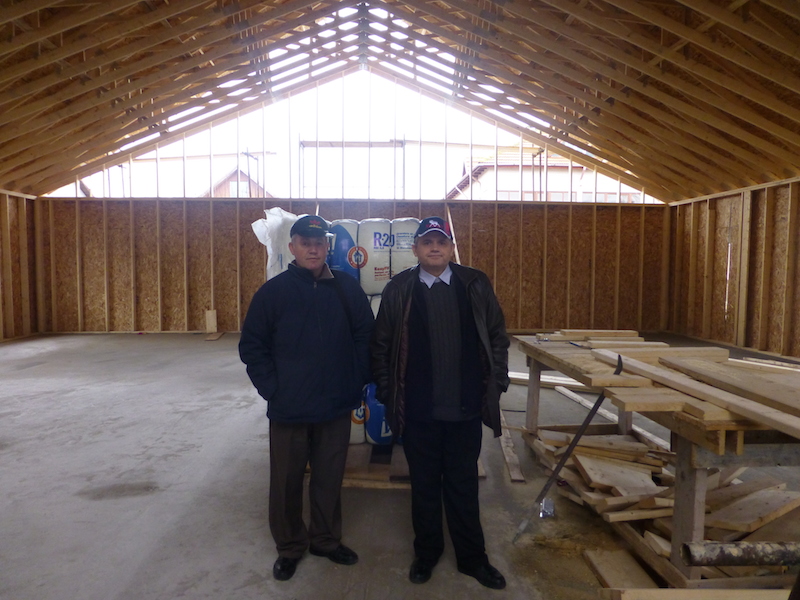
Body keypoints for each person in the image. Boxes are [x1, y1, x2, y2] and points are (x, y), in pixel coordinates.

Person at [371, 216, 510, 590]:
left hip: (465, 408)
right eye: (427, 242)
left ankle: (473, 558)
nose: (435, 248)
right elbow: (381, 345)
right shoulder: (399, 289)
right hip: (419, 411)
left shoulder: (474, 284)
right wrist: (387, 390)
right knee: (425, 486)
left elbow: (497, 336)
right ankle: (427, 554)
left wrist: (497, 381)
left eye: (441, 242)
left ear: (451, 248)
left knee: (463, 485)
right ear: (415, 248)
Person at [239, 214, 374, 582]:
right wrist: (273, 389)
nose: (313, 249)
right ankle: (289, 546)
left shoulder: (347, 289)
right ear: (292, 247)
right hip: (290, 407)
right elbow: (253, 346)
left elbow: (366, 336)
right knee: (286, 480)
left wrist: (356, 379)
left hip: (334, 405)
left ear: (327, 247)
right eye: (305, 243)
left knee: (329, 477)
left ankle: (325, 540)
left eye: (319, 243)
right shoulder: (273, 293)